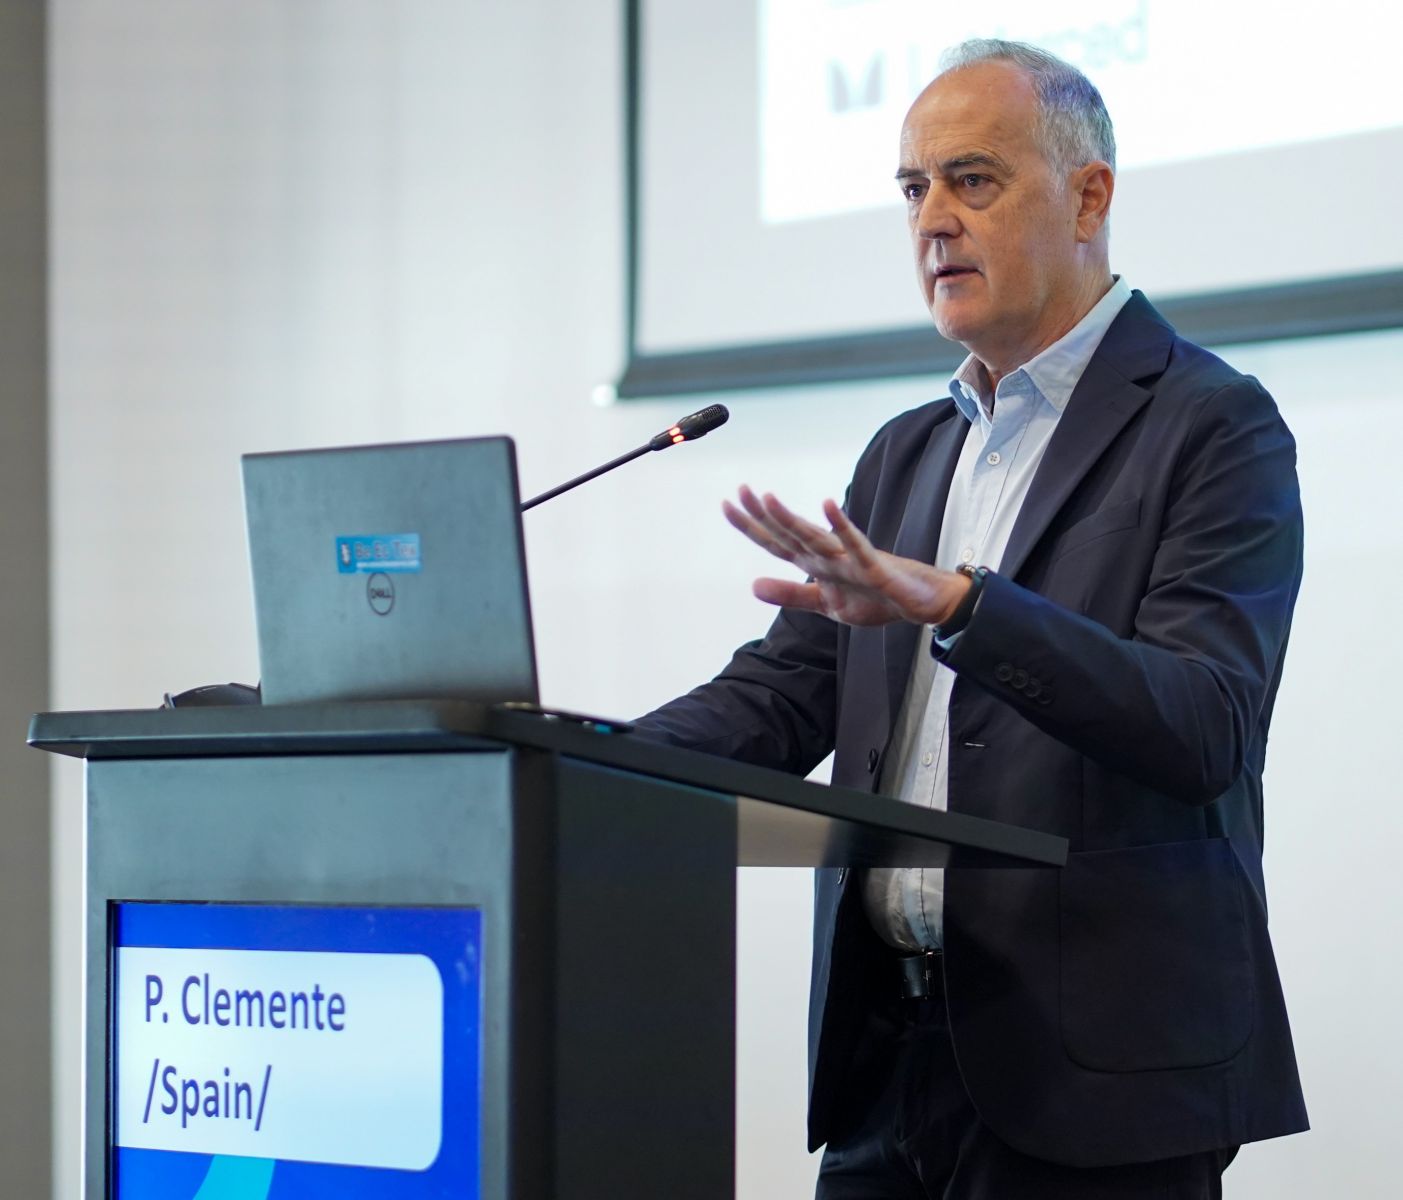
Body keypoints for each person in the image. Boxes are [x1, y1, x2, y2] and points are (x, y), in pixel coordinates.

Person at [634, 37, 1308, 1200]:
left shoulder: (1212, 425)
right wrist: (568, 753)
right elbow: (783, 695)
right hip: (884, 1062)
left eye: (971, 180)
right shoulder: (906, 451)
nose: (931, 221)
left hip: (1097, 1082)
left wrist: (964, 605)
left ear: (1086, 198)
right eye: (912, 189)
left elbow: (1203, 724)